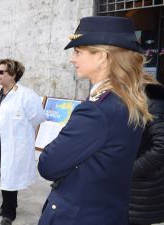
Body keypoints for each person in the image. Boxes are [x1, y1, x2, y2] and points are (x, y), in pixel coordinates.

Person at [37, 16, 152, 225]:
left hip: (78, 215)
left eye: (78, 51)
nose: (72, 59)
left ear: (101, 56)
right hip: (106, 211)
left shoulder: (97, 111)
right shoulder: (126, 100)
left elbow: (48, 166)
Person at [0, 59, 45, 225]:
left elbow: (38, 118)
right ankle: (7, 204)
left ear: (12, 75)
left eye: (1, 72)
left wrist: (26, 140)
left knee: (9, 176)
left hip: (13, 144)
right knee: (4, 175)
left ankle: (9, 213)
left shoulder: (26, 95)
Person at [129, 76, 164, 225]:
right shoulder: (129, 100)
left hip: (145, 192)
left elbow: (161, 148)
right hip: (131, 192)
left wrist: (130, 170)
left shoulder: (153, 103)